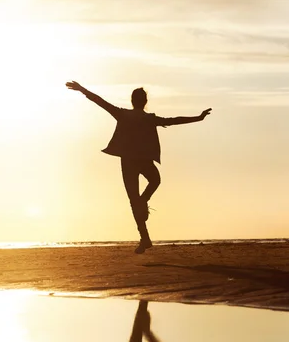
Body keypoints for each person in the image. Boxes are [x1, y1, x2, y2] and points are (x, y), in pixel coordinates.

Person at [66, 81, 212, 254]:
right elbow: (173, 121)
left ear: (132, 101)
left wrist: (81, 89)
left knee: (135, 199)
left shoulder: (124, 115)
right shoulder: (148, 119)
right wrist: (198, 117)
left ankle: (144, 234)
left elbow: (100, 101)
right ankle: (144, 223)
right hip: (141, 160)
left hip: (128, 162)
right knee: (154, 181)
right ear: (144, 101)